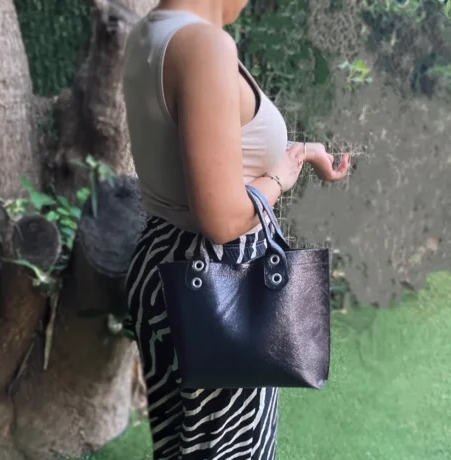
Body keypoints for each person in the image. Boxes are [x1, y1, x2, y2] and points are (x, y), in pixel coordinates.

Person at [122, 1, 350, 459]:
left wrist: (300, 153)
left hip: (164, 269)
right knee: (226, 449)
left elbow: (216, 152)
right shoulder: (205, 47)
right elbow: (223, 220)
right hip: (220, 285)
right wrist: (280, 179)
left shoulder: (146, 33)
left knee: (182, 442)